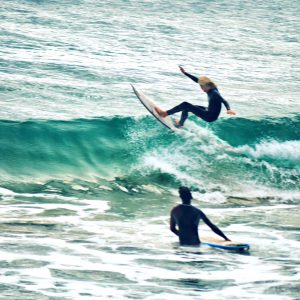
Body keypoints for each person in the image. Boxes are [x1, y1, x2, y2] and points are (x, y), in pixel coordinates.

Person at [155, 66, 236, 127]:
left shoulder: (214, 93)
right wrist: (185, 73)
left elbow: (224, 101)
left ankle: (164, 114)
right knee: (186, 108)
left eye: (202, 86)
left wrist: (228, 109)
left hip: (210, 116)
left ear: (207, 85)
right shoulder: (210, 86)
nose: (201, 88)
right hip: (209, 111)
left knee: (185, 104)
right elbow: (197, 80)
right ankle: (180, 124)